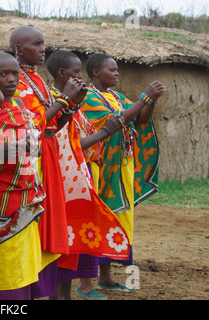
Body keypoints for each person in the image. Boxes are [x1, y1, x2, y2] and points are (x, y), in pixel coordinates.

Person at [0, 51, 59, 300]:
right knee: (1, 278)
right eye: (3, 74)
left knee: (21, 272)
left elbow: (35, 143)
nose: (11, 79)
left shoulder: (20, 106)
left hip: (26, 202)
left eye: (15, 74)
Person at [10, 26, 89, 283]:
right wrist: (63, 101)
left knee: (46, 222)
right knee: (33, 222)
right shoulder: (14, 81)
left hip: (47, 155)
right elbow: (31, 128)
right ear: (19, 49)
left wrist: (71, 104)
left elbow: (52, 127)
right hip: (31, 159)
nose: (43, 49)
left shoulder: (38, 80)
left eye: (43, 43)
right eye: (37, 44)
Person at [46, 50, 127, 300]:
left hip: (80, 177)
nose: (81, 77)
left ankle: (69, 293)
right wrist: (105, 133)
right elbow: (66, 145)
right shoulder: (55, 101)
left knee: (75, 244)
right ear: (62, 74)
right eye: (76, 72)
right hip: (66, 182)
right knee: (65, 243)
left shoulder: (73, 103)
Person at [81, 53, 165, 292]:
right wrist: (144, 97)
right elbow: (117, 120)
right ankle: (85, 282)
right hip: (101, 167)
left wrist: (150, 102)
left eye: (117, 70)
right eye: (112, 70)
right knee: (95, 219)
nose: (117, 74)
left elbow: (139, 119)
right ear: (96, 72)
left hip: (121, 167)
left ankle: (105, 277)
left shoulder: (116, 97)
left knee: (117, 218)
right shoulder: (87, 97)